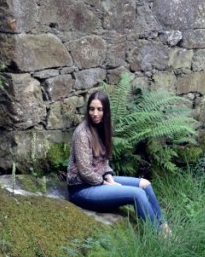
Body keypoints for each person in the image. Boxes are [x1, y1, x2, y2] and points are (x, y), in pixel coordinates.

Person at [66, 90, 170, 234]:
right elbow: (85, 172)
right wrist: (106, 184)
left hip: (99, 181)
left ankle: (165, 229)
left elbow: (104, 162)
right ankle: (159, 236)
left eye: (99, 109)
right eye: (92, 109)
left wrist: (108, 176)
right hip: (82, 189)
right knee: (137, 194)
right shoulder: (82, 133)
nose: (95, 113)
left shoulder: (101, 128)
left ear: (105, 111)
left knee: (145, 185)